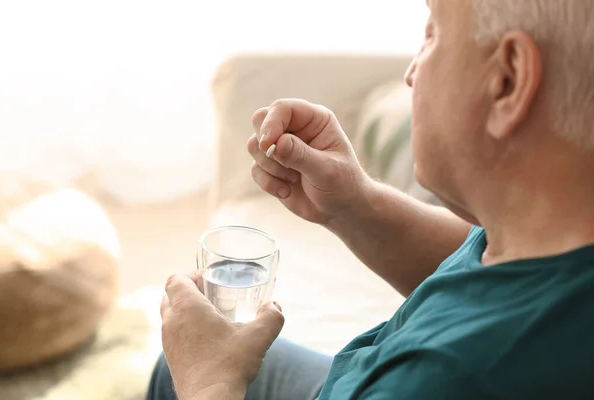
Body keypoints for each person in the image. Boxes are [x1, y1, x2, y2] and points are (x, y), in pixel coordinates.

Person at [147, 0, 594, 398]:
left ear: (507, 81)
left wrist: (208, 380)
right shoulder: (546, 230)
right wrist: (352, 202)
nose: (411, 72)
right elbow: (487, 268)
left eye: (432, 32)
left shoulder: (445, 379)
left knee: (181, 369)